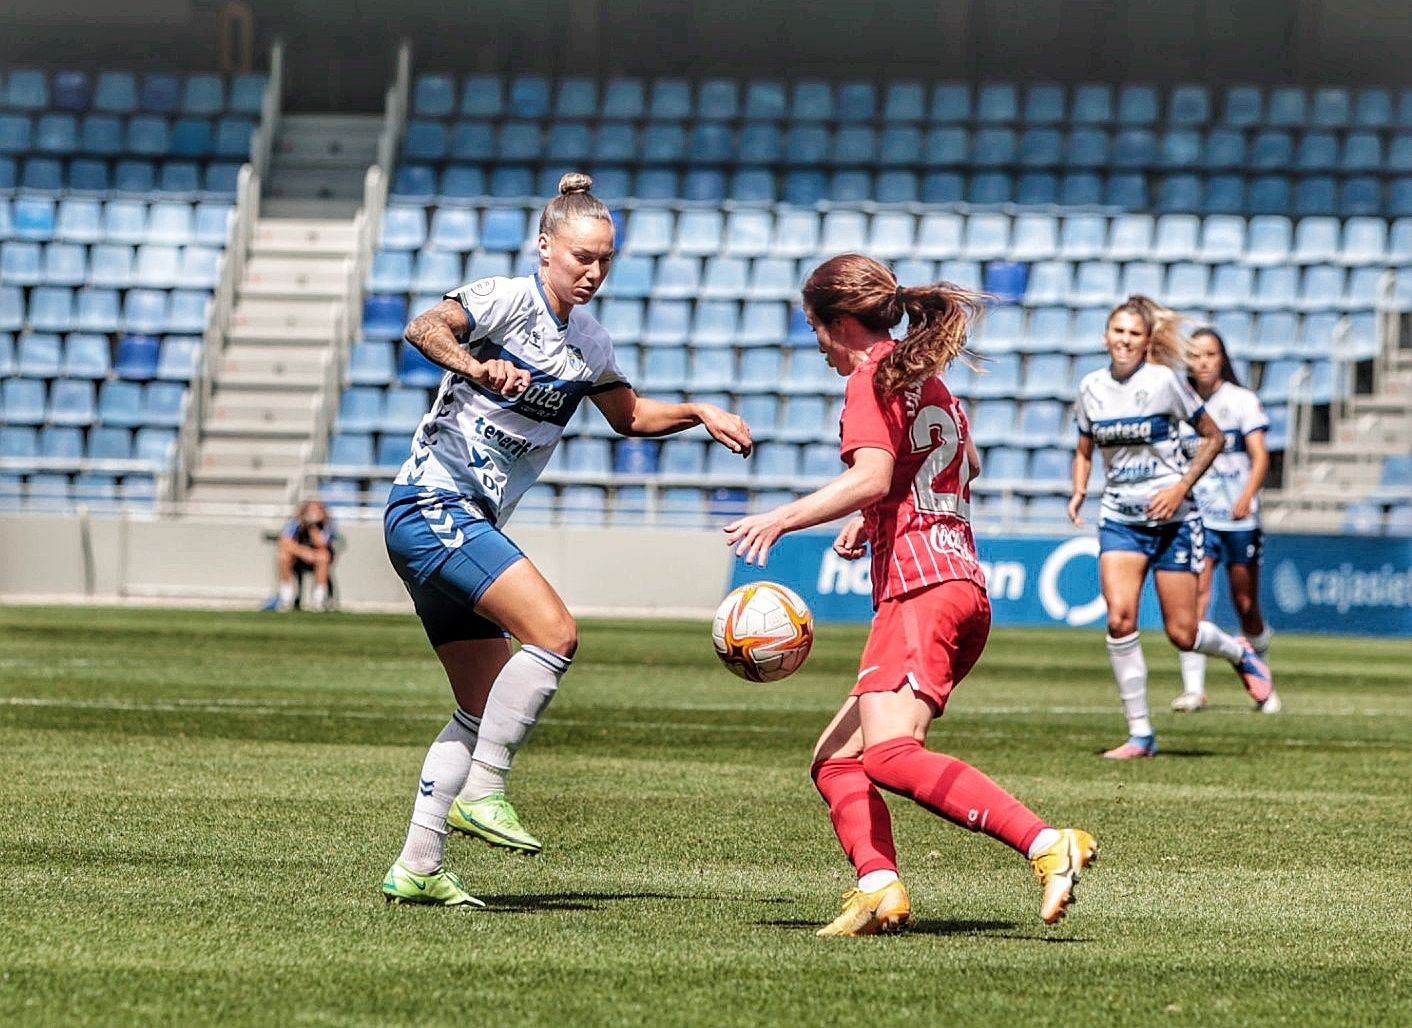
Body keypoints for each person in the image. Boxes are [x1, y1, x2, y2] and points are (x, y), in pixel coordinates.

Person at [379, 172, 753, 907]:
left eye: (606, 259)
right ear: (544, 247)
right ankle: (482, 789)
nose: (595, 272)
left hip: (463, 521)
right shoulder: (503, 300)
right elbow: (423, 327)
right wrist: (475, 363)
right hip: (431, 501)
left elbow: (630, 415)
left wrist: (701, 411)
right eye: (582, 256)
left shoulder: (588, 342)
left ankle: (418, 862)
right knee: (555, 632)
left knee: (482, 706)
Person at [724, 254, 1096, 937]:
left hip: (921, 588)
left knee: (890, 755)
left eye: (813, 328)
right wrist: (876, 522)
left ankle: (1047, 844)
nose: (815, 345)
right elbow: (966, 464)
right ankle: (879, 888)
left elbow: (872, 475)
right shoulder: (924, 375)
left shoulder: (872, 378)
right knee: (837, 760)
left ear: (838, 323)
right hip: (959, 580)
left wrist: (783, 517)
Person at [1068, 296, 1274, 761]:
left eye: (1134, 334)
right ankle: (1141, 733)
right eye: (1117, 331)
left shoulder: (1163, 383)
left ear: (1146, 343)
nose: (1124, 340)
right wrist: (1079, 490)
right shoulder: (1091, 388)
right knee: (1120, 619)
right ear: (1106, 335)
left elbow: (1214, 437)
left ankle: (1240, 654)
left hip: (1174, 521)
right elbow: (1083, 447)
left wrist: (1180, 488)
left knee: (1182, 633)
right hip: (1120, 518)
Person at [1171, 328, 1280, 713]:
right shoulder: (1178, 400)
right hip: (1198, 517)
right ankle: (1194, 689)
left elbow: (1260, 456)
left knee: (1245, 603)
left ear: (1222, 359)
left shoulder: (1241, 401)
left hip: (1238, 519)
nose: (1202, 362)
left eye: (1210, 354)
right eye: (1195, 355)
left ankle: (1262, 678)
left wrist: (1247, 496)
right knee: (1195, 601)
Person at [274, 499, 337, 611]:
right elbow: (284, 541)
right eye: (310, 510)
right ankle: (286, 597)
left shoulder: (327, 524)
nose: (312, 513)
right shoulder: (295, 522)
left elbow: (322, 544)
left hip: (316, 558)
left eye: (316, 509)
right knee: (283, 556)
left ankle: (319, 599)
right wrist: (303, 552)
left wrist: (312, 527)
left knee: (323, 556)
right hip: (297, 559)